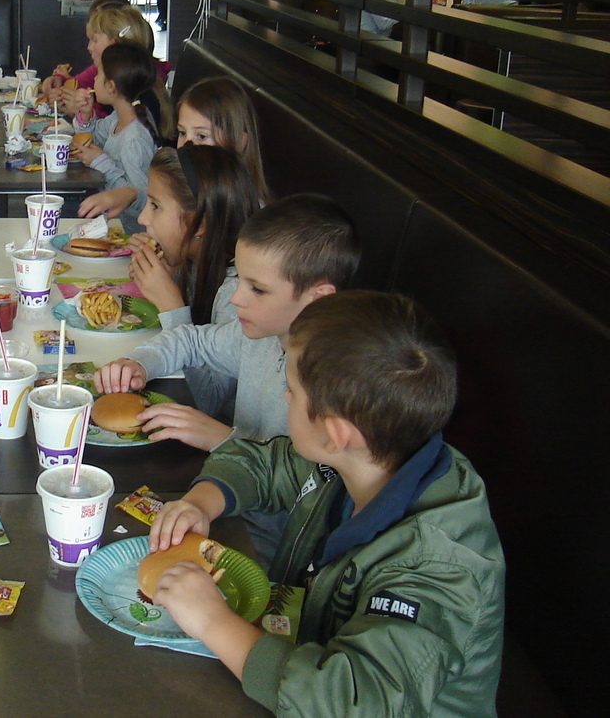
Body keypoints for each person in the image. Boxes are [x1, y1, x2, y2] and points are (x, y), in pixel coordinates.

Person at [148, 290, 505, 717]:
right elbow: (262, 463)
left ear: (335, 434)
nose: (285, 398)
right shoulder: (369, 457)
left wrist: (212, 621)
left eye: (292, 391)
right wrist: (201, 503)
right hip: (300, 640)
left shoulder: (437, 568)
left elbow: (350, 703)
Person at [95, 193, 361, 564]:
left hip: (271, 550)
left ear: (317, 298)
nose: (235, 299)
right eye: (239, 279)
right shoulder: (260, 335)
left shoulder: (338, 384)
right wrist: (140, 363)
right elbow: (189, 340)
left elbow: (314, 487)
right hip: (221, 498)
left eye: (257, 289)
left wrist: (222, 437)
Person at [127, 146, 262, 415]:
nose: (142, 218)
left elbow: (206, 401)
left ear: (199, 223)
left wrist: (171, 307)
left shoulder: (237, 293)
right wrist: (167, 276)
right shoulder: (193, 263)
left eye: (155, 206)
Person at [70, 42, 169, 234]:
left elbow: (140, 198)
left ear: (111, 87)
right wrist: (87, 115)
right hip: (110, 221)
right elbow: (95, 138)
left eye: (98, 75)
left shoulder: (134, 139)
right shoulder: (119, 116)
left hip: (129, 232)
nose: (94, 79)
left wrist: (101, 163)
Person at [175, 76, 273, 203]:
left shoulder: (246, 209)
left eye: (202, 136)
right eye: (182, 133)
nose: (185, 146)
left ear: (238, 142)